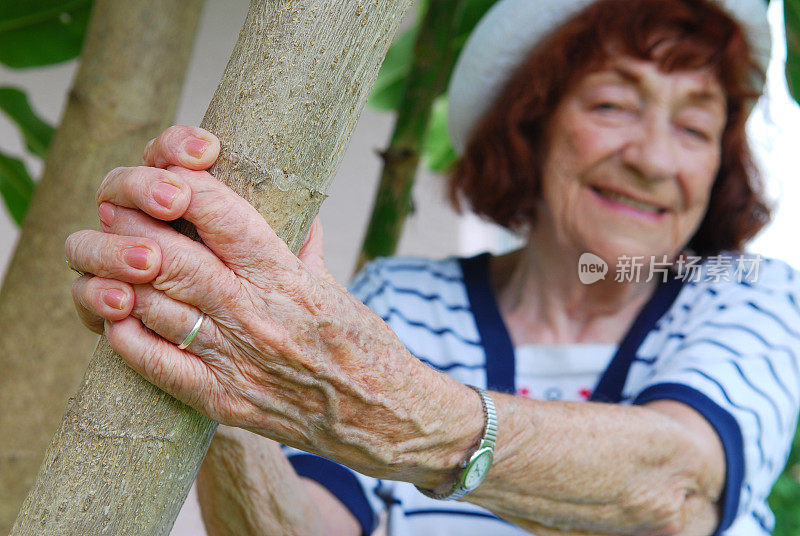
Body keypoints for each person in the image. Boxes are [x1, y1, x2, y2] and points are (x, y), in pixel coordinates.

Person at [64, 0, 800, 534]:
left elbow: (674, 485)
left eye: (697, 126)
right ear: (533, 125)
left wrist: (392, 411)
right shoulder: (403, 301)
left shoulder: (750, 296)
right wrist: (212, 345)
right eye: (612, 105)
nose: (654, 158)